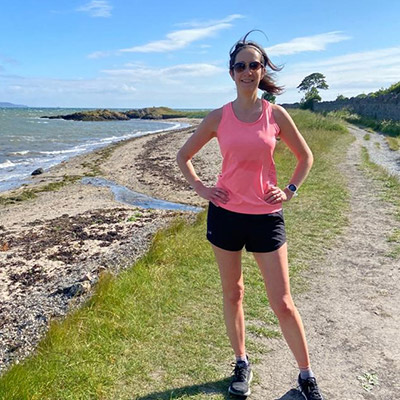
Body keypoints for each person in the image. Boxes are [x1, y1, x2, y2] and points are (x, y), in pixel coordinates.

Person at [176, 31, 324, 400]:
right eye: (240, 65)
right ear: (231, 73)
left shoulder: (276, 114)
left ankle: (306, 376)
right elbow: (184, 156)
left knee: (283, 302)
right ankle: (241, 362)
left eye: (253, 64)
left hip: (266, 217)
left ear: (262, 70)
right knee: (233, 294)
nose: (246, 71)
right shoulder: (218, 117)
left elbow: (306, 158)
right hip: (224, 215)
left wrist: (289, 191)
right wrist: (202, 189)